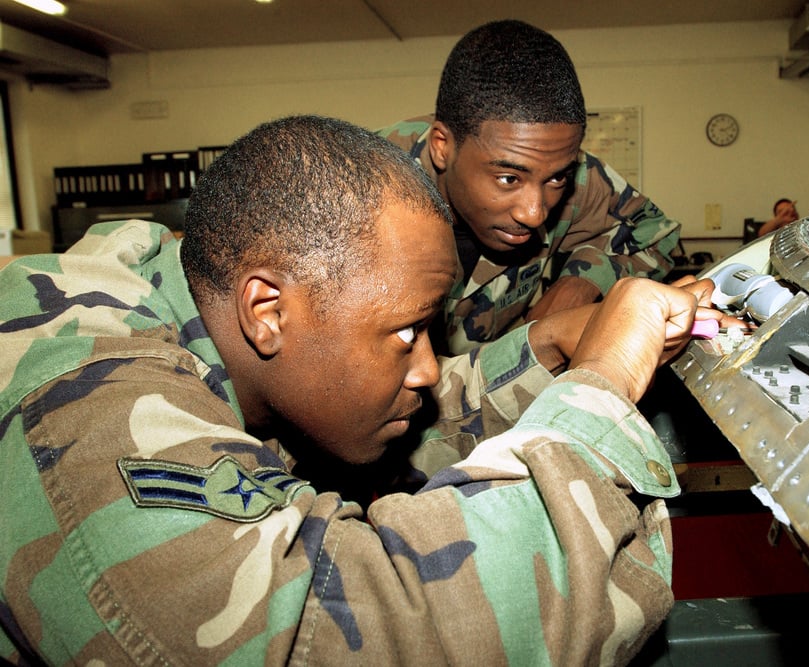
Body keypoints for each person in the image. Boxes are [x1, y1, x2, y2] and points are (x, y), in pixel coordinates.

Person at [0, 115, 726, 665]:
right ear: (267, 311)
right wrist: (599, 391)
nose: (427, 368)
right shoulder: (84, 412)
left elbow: (378, 406)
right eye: (407, 331)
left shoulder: (201, 303)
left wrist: (554, 344)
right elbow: (365, 627)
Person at [378, 19, 682, 355]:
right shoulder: (359, 193)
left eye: (555, 178)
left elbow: (654, 230)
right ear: (442, 146)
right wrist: (546, 341)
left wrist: (581, 282)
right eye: (508, 179)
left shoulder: (563, 168)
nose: (534, 214)